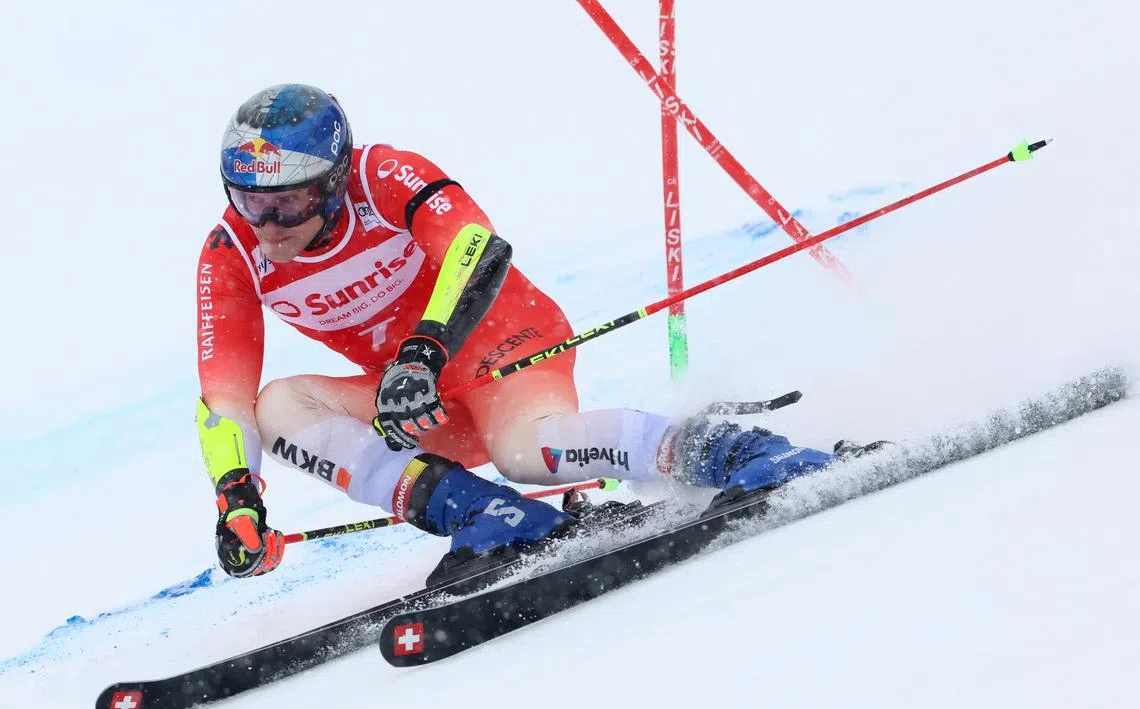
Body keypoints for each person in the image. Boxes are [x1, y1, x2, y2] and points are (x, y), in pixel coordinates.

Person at [198, 84, 859, 582]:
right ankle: (494, 519)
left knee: (525, 452)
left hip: (502, 348)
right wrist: (237, 498)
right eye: (247, 199)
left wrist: (423, 355)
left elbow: (477, 247)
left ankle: (737, 453)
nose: (267, 222)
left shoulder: (380, 175)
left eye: (289, 201)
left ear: (335, 182)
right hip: (416, 400)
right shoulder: (232, 253)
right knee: (277, 405)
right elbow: (223, 399)